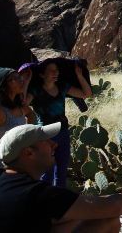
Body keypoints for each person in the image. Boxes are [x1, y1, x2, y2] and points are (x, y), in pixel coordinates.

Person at [0, 122, 122, 233]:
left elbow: (74, 209)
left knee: (74, 218)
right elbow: (112, 207)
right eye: (46, 141)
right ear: (29, 153)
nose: (54, 144)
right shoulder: (36, 193)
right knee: (108, 220)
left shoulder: (5, 183)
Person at [28, 60, 92, 188]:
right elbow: (23, 103)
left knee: (61, 170)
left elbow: (87, 94)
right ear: (41, 75)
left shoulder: (62, 86)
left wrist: (79, 75)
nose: (55, 73)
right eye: (51, 70)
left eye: (56, 70)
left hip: (62, 131)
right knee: (47, 172)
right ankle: (44, 201)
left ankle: (58, 201)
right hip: (45, 135)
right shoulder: (36, 91)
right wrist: (27, 80)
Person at [0, 67, 36, 140]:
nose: (21, 80)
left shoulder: (20, 106)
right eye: (15, 78)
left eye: (19, 77)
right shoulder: (1, 111)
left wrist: (28, 134)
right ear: (4, 85)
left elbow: (31, 115)